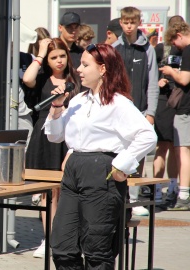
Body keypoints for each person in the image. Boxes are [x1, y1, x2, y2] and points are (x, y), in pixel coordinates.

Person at [45, 43, 157, 269]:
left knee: (97, 248)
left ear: (103, 69)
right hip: (74, 170)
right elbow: (55, 136)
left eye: (85, 65)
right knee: (62, 246)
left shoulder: (118, 103)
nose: (78, 69)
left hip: (101, 171)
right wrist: (56, 108)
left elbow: (147, 135)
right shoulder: (77, 101)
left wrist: (122, 164)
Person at [22, 37, 81, 258]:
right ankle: (49, 240)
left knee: (68, 191)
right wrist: (40, 52)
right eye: (53, 57)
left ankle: (66, 239)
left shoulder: (76, 78)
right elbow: (27, 78)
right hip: (45, 137)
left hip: (71, 137)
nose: (59, 61)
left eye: (62, 56)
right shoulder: (42, 79)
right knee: (49, 192)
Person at [112, 6, 159, 216]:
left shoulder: (146, 48)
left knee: (138, 155)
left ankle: (135, 197)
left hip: (140, 110)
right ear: (121, 23)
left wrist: (151, 112)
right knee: (119, 151)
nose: (129, 26)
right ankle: (120, 194)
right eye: (125, 22)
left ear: (138, 23)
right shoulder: (115, 48)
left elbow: (153, 83)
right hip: (119, 111)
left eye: (133, 22)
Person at [152, 16, 186, 208]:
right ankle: (157, 187)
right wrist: (159, 80)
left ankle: (173, 188)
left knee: (176, 147)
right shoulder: (161, 48)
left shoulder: (185, 49)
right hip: (164, 101)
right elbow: (153, 71)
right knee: (162, 146)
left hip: (181, 99)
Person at [160, 21, 190, 211]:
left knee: (182, 151)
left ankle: (184, 194)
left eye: (173, 42)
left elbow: (184, 79)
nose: (175, 47)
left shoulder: (187, 50)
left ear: (179, 35)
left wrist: (171, 72)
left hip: (186, 108)